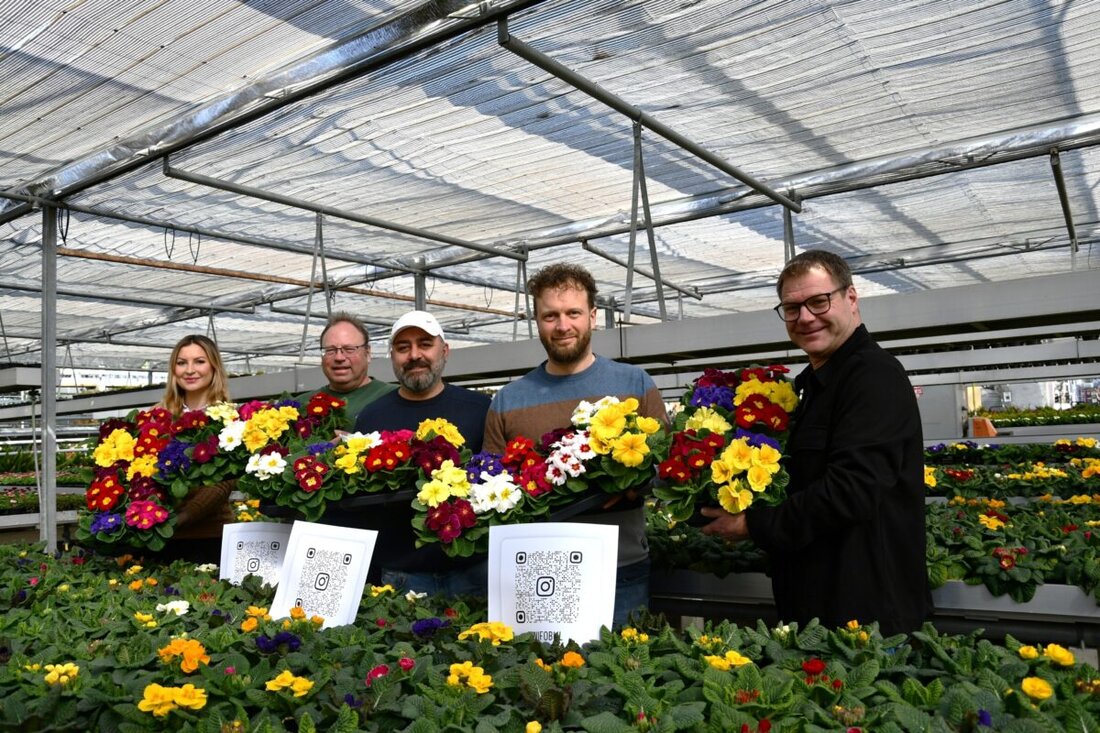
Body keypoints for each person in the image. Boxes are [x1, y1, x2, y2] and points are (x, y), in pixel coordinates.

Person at [699, 249, 932, 635]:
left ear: (851, 299)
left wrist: (754, 524)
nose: (805, 317)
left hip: (865, 622)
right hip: (815, 610)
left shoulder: (873, 377)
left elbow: (851, 491)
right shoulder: (808, 386)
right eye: (792, 308)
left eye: (818, 301)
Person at [482, 263, 669, 626]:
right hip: (536, 569)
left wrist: (634, 485)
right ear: (536, 321)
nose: (562, 325)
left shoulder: (634, 383)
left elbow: (664, 469)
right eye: (550, 315)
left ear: (593, 317)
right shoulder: (508, 400)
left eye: (573, 313)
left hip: (620, 565)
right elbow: (491, 488)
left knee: (624, 671)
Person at [354, 310, 492, 594]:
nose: (414, 355)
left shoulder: (481, 409)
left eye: (425, 344)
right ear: (392, 356)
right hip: (401, 573)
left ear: (445, 350)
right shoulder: (372, 418)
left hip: (473, 569)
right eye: (403, 348)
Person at [154, 334, 235, 564]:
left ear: (214, 367)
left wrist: (181, 517)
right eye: (181, 363)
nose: (190, 370)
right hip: (160, 536)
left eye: (199, 361)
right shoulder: (157, 416)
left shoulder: (231, 418)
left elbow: (224, 483)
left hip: (211, 537)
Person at [297, 312, 395, 429]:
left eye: (349, 349)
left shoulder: (394, 398)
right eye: (330, 350)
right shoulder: (299, 406)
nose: (339, 357)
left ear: (367, 353)